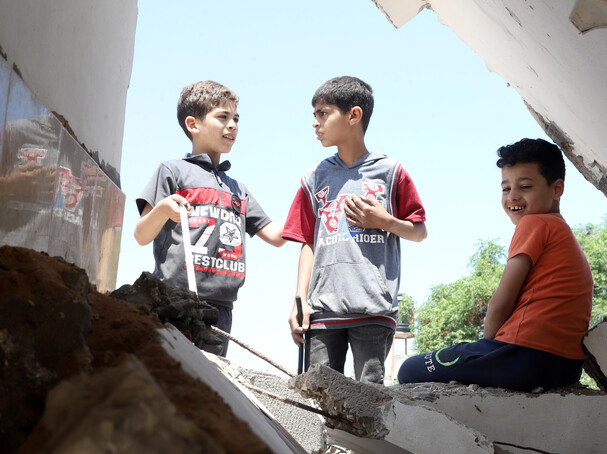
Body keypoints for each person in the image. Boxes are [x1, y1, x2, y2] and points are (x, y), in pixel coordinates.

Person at [398, 138, 593, 391]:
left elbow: (502, 300)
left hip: (524, 357)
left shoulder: (535, 223)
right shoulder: (561, 231)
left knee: (409, 369)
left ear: (556, 189)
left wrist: (485, 350)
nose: (513, 196)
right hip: (565, 366)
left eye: (525, 186)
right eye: (505, 188)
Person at [283, 76, 427, 384]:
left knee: (370, 399)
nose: (315, 122)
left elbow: (419, 231)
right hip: (323, 312)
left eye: (323, 113)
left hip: (373, 310)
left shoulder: (391, 171)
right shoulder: (313, 178)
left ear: (354, 115)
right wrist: (299, 301)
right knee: (320, 398)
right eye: (315, 114)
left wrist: (385, 221)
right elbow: (306, 242)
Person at [135, 80, 284, 357]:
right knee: (173, 377)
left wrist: (311, 205)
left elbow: (275, 236)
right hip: (175, 301)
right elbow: (141, 235)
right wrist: (163, 209)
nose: (233, 126)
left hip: (221, 307)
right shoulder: (172, 171)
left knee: (208, 384)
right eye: (223, 117)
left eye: (236, 119)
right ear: (193, 124)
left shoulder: (237, 189)